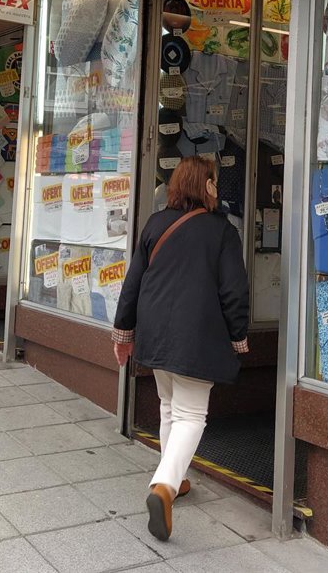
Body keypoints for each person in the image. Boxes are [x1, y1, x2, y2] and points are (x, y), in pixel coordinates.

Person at [111, 156, 249, 542]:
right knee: (191, 415)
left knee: (169, 406)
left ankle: (176, 478)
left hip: (155, 331)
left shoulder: (155, 223)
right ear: (205, 185)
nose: (217, 187)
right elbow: (234, 291)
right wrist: (238, 336)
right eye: (214, 180)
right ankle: (164, 487)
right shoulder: (222, 231)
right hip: (197, 337)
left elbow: (133, 283)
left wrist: (123, 333)